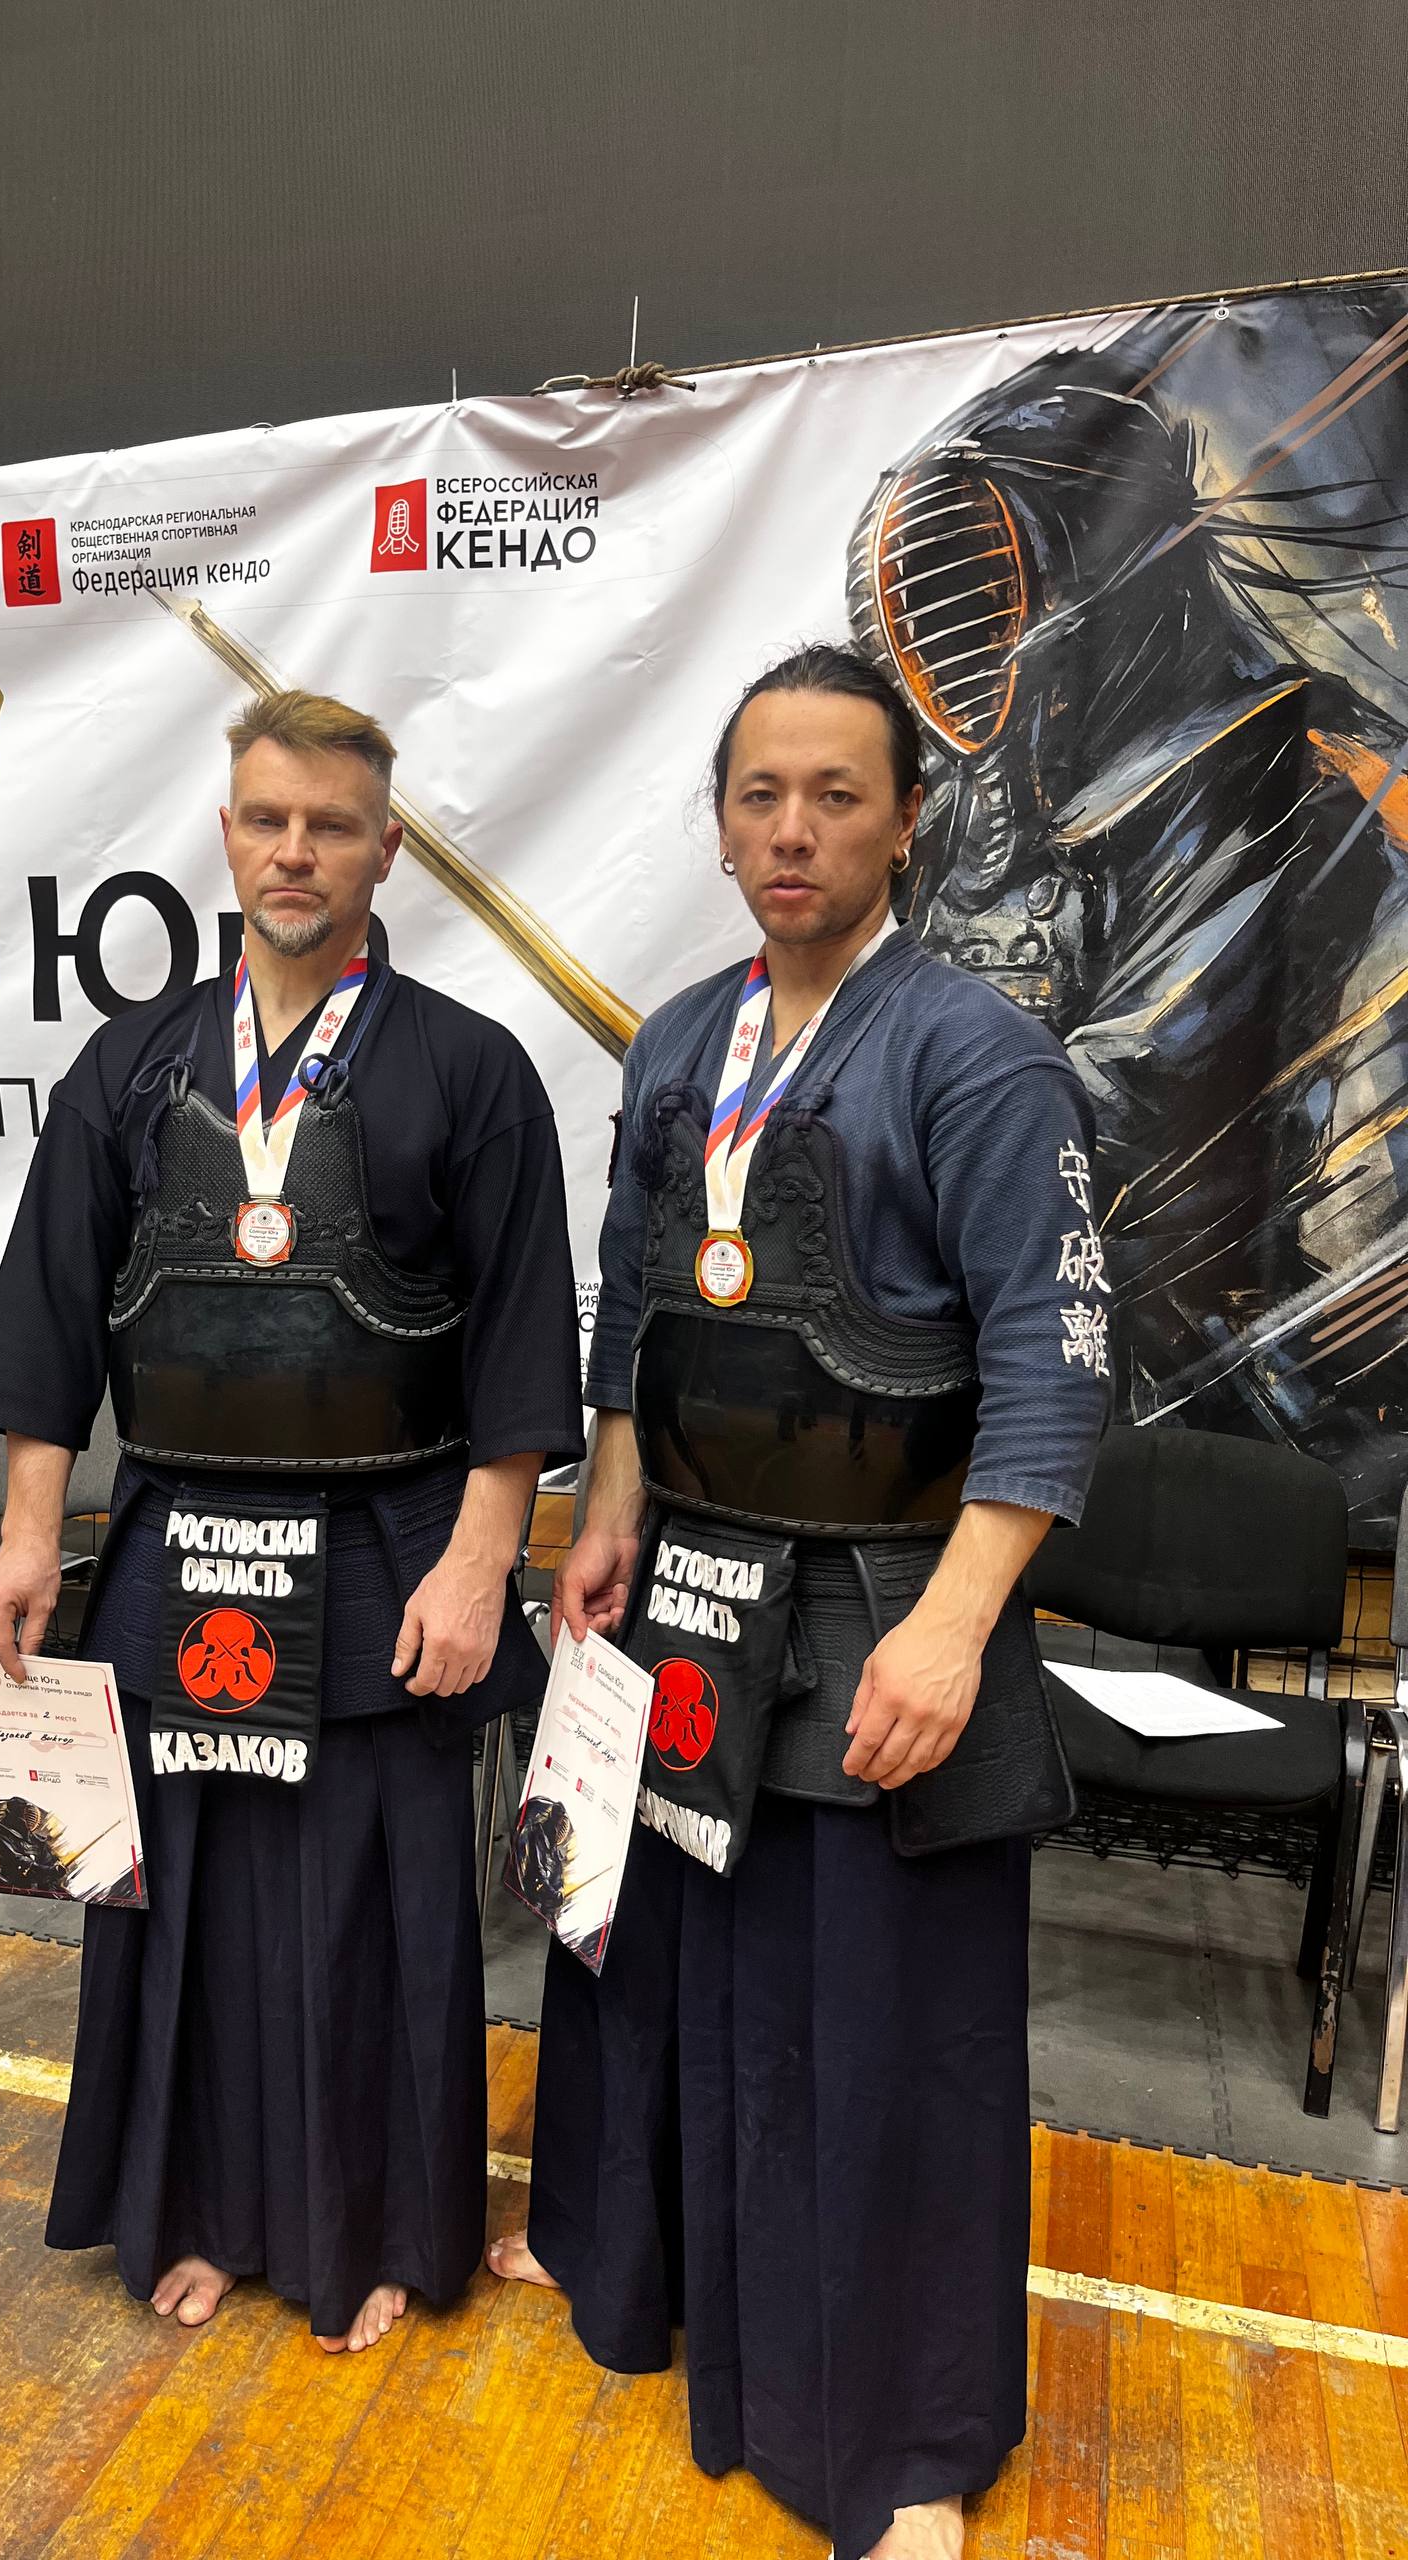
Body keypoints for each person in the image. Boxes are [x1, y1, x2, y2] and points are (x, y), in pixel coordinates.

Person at [490, 646, 1110, 2560]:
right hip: (690, 1582)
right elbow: (637, 1305)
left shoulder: (979, 1056)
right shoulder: (682, 1040)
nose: (794, 829)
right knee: (674, 1972)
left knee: (882, 2026)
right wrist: (606, 1512)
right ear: (720, 819)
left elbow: (1054, 1363)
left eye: (839, 794)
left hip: (881, 1601)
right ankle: (665, 2287)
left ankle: (905, 2437)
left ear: (909, 821)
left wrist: (959, 1622)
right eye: (761, 793)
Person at [0, 688, 582, 2354]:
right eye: (266, 818)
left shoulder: (469, 1067)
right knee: (189, 1905)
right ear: (226, 835)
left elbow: (523, 1346)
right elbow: (52, 1315)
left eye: (329, 824)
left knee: (373, 1913)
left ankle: (372, 2231)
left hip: (387, 1555)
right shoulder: (134, 1062)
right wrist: (28, 1533)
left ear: (387, 848)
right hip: (178, 1545)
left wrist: (480, 1564)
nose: (294, 850)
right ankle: (201, 2210)